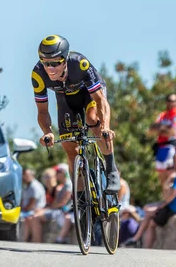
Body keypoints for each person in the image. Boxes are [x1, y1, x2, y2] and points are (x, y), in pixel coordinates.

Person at [32, 35, 120, 193]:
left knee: (92, 118)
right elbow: (42, 111)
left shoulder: (80, 64)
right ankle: (80, 199)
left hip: (90, 93)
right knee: (69, 148)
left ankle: (111, 168)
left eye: (55, 62)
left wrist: (105, 127)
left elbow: (100, 101)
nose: (50, 68)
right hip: (65, 97)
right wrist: (48, 132)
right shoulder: (38, 74)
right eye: (45, 62)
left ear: (65, 59)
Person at [126, 152, 176, 248]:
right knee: (150, 217)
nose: (174, 163)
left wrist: (160, 206)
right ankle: (138, 241)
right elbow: (167, 193)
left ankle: (137, 239)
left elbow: (171, 196)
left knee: (149, 213)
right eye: (173, 160)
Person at [29, 164, 73, 243]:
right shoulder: (64, 186)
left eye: (58, 172)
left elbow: (62, 203)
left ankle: (36, 241)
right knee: (34, 216)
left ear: (64, 173)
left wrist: (47, 208)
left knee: (35, 217)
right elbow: (56, 202)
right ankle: (35, 240)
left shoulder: (68, 185)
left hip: (62, 212)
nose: (56, 174)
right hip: (58, 210)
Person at [151, 94, 176, 183]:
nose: (171, 103)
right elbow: (152, 128)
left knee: (171, 175)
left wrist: (161, 128)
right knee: (161, 176)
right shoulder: (162, 115)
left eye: (173, 101)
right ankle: (165, 196)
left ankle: (172, 196)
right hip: (160, 147)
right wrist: (166, 128)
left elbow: (173, 132)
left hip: (171, 146)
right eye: (169, 101)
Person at [20, 168, 46, 242]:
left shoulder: (35, 186)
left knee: (28, 218)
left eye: (25, 175)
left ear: (32, 175)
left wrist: (21, 210)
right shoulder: (26, 186)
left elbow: (31, 204)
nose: (23, 177)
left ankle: (35, 241)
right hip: (28, 211)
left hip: (35, 210)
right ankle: (24, 240)